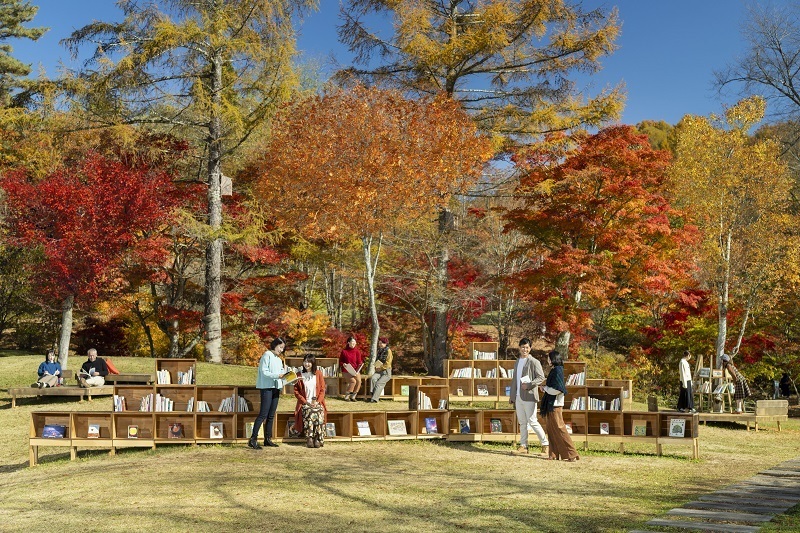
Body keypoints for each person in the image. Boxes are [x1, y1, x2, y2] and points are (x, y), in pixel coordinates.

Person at [509, 338, 548, 456]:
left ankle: (545, 445)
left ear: (530, 348)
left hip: (529, 396)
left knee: (532, 421)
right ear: (519, 348)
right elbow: (514, 380)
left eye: (527, 347)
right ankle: (523, 446)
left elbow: (541, 377)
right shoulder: (517, 361)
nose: (524, 349)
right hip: (518, 396)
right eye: (522, 347)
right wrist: (512, 396)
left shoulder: (534, 361)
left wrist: (530, 385)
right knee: (522, 422)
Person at [249, 337, 288, 450]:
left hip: (276, 388)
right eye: (280, 347)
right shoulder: (267, 355)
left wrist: (287, 377)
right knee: (263, 414)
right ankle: (253, 439)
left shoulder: (279, 359)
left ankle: (267, 439)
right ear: (275, 345)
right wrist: (277, 375)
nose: (281, 350)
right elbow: (264, 371)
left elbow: (281, 373)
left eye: (283, 348)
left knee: (271, 415)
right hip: (266, 387)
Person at [539, 350, 579, 462]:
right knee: (551, 429)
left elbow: (558, 389)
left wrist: (545, 389)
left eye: (549, 358)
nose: (547, 360)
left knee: (560, 428)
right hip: (551, 404)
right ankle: (553, 454)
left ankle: (572, 454)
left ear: (553, 359)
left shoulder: (557, 371)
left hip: (555, 405)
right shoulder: (554, 370)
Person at [293, 354, 327, 448]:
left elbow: (322, 389)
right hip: (305, 403)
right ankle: (310, 438)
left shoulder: (318, 373)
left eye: (309, 362)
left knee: (319, 412)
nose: (306, 364)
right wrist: (305, 401)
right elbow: (296, 392)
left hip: (317, 402)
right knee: (310, 412)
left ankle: (317, 437)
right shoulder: (299, 375)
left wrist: (318, 401)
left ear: (313, 363)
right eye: (305, 361)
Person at [339, 336, 364, 401]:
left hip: (355, 370)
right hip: (346, 370)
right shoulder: (344, 351)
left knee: (359, 381)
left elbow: (359, 361)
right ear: (348, 343)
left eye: (355, 343)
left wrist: (360, 364)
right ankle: (347, 396)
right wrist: (343, 364)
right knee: (353, 381)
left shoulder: (357, 351)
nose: (353, 344)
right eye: (352, 342)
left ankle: (353, 396)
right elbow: (340, 361)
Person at [368, 337, 393, 403]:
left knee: (379, 384)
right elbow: (377, 361)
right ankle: (374, 394)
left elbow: (388, 363)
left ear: (386, 344)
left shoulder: (388, 351)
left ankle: (374, 399)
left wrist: (380, 368)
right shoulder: (379, 350)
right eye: (379, 343)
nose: (380, 344)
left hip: (386, 372)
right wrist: (376, 367)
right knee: (373, 378)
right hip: (379, 370)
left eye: (382, 343)